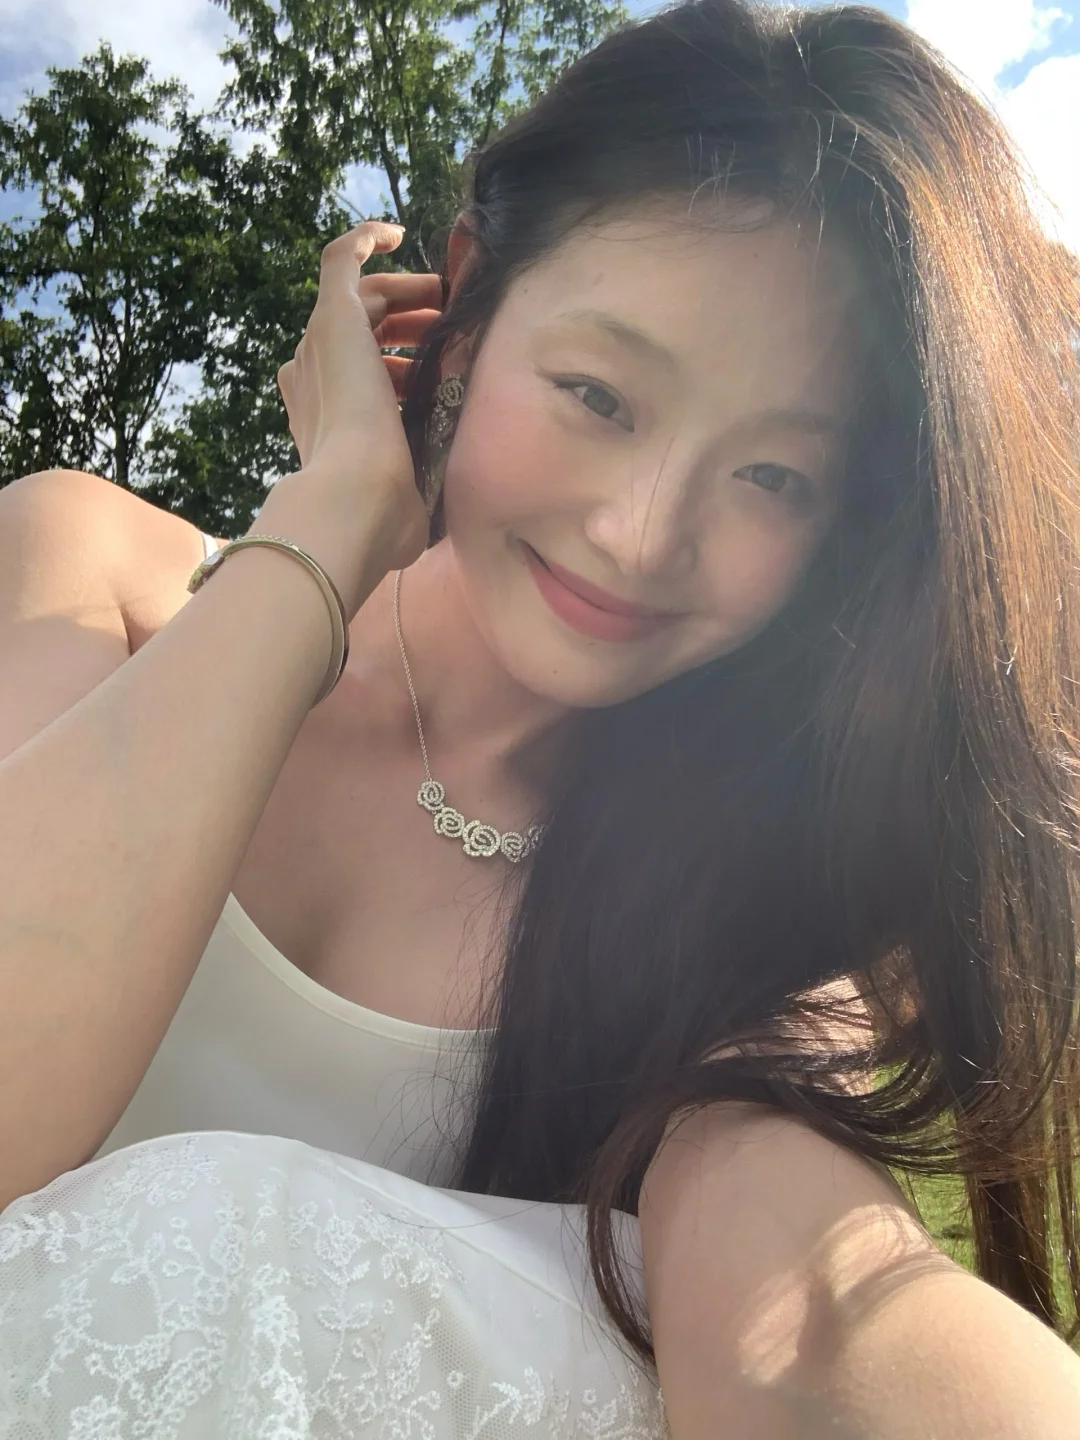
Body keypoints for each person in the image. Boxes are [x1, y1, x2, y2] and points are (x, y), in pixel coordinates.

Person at [0, 0, 1079, 1432]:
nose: (642, 533)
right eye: (597, 394)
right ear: (465, 314)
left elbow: (821, 1319)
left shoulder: (738, 922)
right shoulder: (95, 579)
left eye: (774, 478)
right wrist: (325, 529)